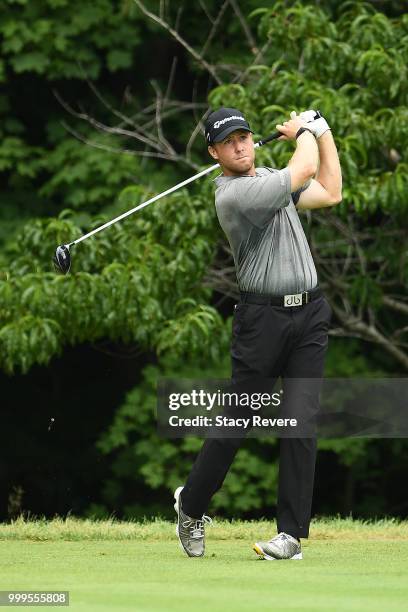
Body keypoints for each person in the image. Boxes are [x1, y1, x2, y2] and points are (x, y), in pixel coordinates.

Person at [174, 107, 342, 560]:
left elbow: (329, 192)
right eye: (229, 142)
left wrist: (322, 135)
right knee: (237, 422)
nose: (240, 145)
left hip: (309, 314)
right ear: (215, 153)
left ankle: (290, 535)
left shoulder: (270, 179)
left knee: (301, 421)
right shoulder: (233, 196)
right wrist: (304, 131)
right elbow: (303, 167)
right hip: (262, 322)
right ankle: (190, 506)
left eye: (244, 136)